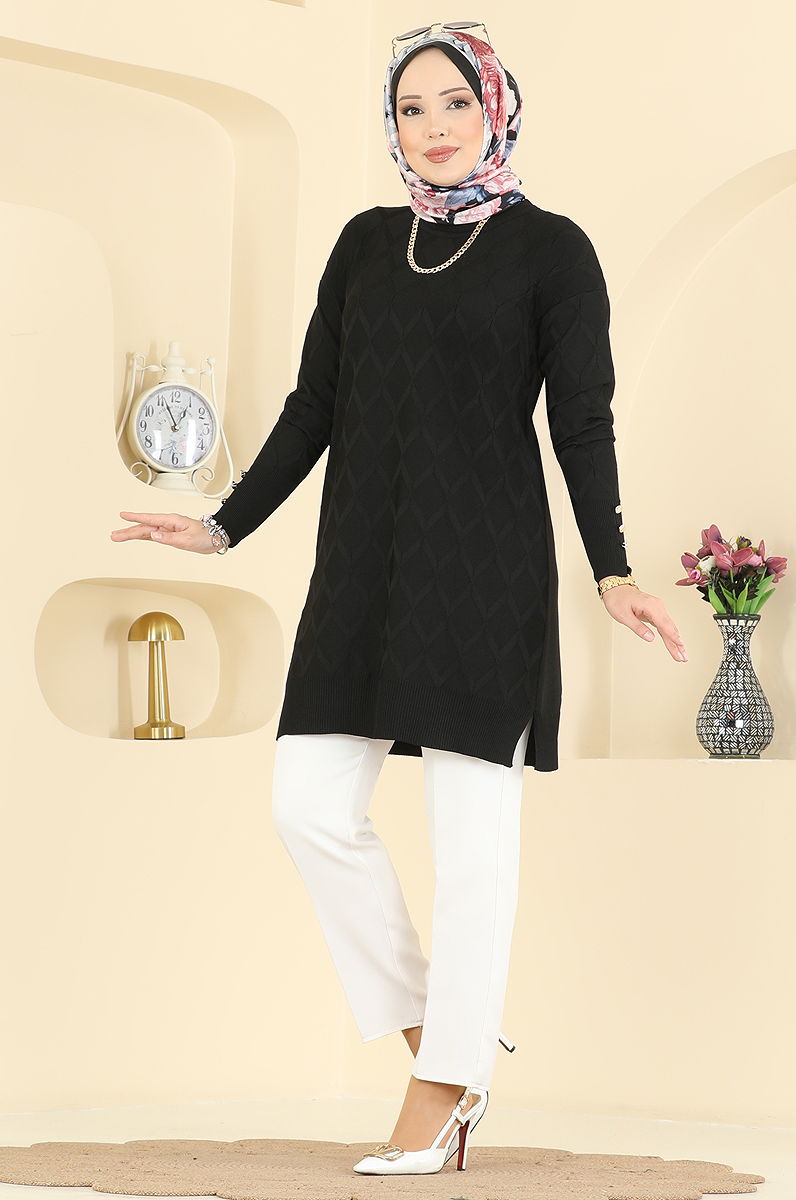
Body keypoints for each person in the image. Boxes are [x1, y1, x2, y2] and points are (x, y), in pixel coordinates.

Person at [111, 22, 689, 1177]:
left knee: (471, 845)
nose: (432, 127)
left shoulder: (551, 252)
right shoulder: (365, 244)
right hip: (361, 569)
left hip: (484, 574)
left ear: (496, 110)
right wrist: (222, 523)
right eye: (410, 108)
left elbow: (581, 421)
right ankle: (449, 1043)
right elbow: (313, 404)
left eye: (454, 103)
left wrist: (611, 567)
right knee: (306, 807)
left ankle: (441, 1084)